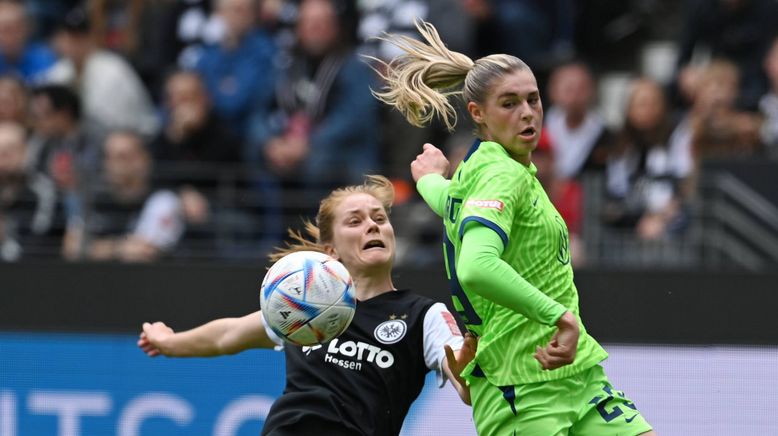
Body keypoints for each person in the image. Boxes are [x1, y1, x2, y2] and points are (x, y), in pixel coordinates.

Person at [372, 20, 656, 435]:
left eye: (533, 100)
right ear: (478, 113)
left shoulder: (480, 171)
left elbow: (451, 203)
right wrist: (559, 315)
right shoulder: (501, 176)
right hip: (522, 385)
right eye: (509, 104)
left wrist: (429, 180)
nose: (527, 113)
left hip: (576, 377)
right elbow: (476, 265)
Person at [137, 174, 477, 436]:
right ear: (330, 251)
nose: (373, 224)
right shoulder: (307, 301)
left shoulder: (422, 315)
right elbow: (227, 335)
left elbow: (466, 385)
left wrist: (467, 376)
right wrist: (170, 343)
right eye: (355, 221)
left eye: (379, 218)